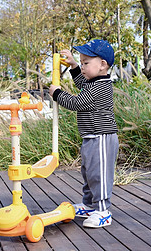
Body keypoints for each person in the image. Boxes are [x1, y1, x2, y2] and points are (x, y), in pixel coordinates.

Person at [49, 39, 119, 228]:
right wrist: (73, 66)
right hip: (90, 136)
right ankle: (89, 205)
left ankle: (103, 211)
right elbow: (81, 83)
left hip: (101, 137)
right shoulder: (93, 82)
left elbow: (76, 103)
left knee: (99, 175)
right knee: (88, 173)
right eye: (81, 62)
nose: (83, 67)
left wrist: (57, 94)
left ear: (103, 65)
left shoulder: (101, 86)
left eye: (85, 63)